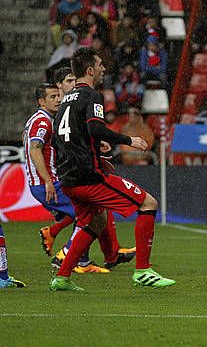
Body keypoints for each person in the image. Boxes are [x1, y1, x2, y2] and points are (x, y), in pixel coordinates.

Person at [49, 47, 175, 291]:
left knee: (94, 222)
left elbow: (64, 138)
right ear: (89, 70)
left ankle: (62, 277)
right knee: (149, 203)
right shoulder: (92, 96)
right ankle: (143, 271)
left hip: (69, 178)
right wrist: (128, 141)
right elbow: (94, 128)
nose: (103, 69)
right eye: (99, 65)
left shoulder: (66, 101)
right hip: (89, 176)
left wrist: (94, 145)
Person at [25, 82, 135, 274]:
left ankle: (79, 254)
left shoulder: (46, 119)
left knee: (89, 212)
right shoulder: (42, 121)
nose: (58, 99)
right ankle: (68, 257)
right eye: (52, 97)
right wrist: (48, 180)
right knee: (91, 214)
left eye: (58, 96)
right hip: (48, 183)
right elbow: (35, 149)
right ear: (41, 101)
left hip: (52, 181)